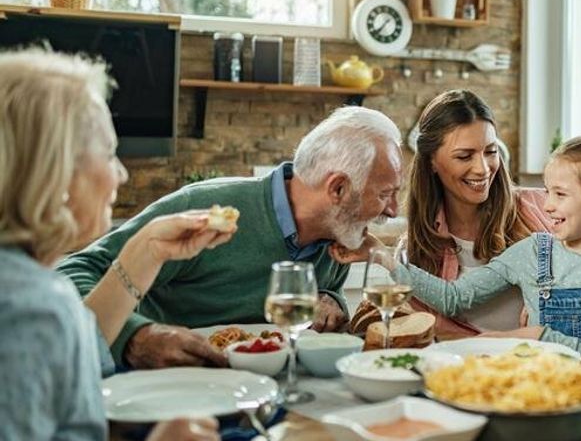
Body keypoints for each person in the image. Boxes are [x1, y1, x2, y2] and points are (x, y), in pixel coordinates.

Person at [0, 48, 222, 441]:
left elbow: (72, 352)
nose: (121, 173)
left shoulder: (22, 282)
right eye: (108, 153)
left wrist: (148, 251)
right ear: (55, 171)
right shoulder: (29, 306)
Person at [58, 105, 403, 369]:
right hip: (159, 388)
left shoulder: (340, 234)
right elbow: (71, 275)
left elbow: (325, 304)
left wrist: (332, 303)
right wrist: (135, 336)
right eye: (386, 193)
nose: (393, 210)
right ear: (338, 188)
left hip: (257, 394)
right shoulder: (206, 207)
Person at [343, 135, 581, 364]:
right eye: (547, 191)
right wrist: (384, 258)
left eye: (560, 194)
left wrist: (538, 336)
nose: (548, 205)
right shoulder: (532, 252)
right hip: (529, 388)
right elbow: (453, 298)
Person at [405, 90, 553, 336]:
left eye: (490, 151)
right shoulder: (416, 250)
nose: (483, 169)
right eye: (464, 156)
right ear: (431, 161)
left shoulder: (544, 208)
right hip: (466, 369)